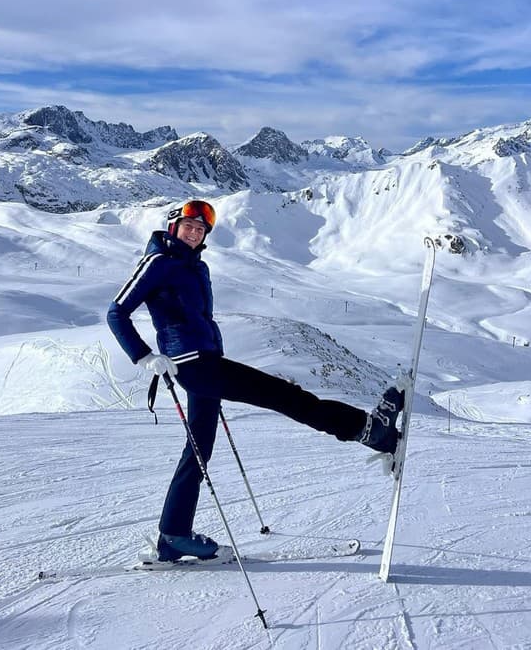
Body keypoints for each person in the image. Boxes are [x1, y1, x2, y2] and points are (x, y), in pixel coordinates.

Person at [107, 199, 404, 562]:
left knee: (198, 450)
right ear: (173, 226)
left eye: (201, 230)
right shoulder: (158, 263)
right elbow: (117, 311)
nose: (194, 233)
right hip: (194, 367)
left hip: (206, 363)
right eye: (189, 227)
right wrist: (145, 356)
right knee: (286, 396)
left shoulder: (195, 267)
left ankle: (173, 536)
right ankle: (368, 430)